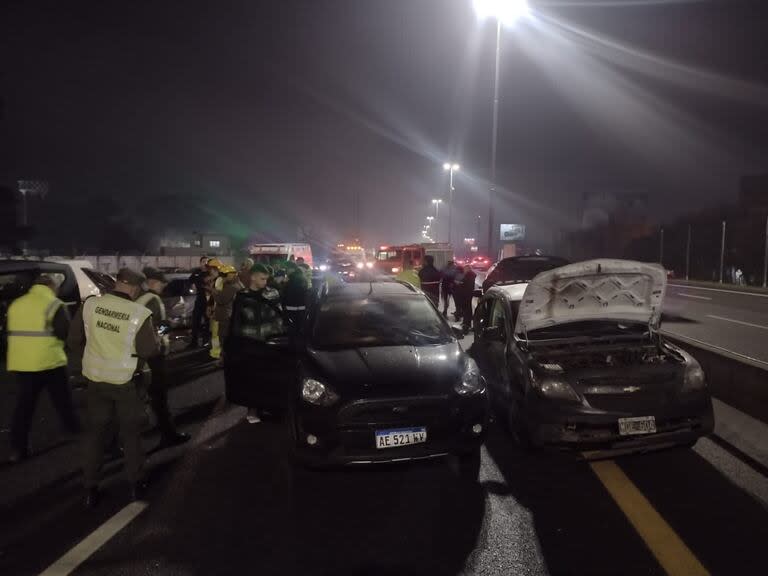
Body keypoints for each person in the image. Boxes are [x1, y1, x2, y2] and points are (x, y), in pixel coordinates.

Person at [68, 268, 160, 507]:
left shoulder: (89, 305)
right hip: (125, 381)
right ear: (135, 287)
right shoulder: (139, 314)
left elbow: (74, 340)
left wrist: (91, 358)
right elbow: (149, 350)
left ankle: (90, 487)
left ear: (117, 282)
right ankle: (135, 484)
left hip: (95, 379)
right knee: (130, 434)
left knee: (96, 433)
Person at [6, 274, 80, 463]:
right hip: (50, 361)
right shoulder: (55, 304)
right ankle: (73, 431)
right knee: (63, 400)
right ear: (50, 287)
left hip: (21, 362)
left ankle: (18, 449)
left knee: (24, 407)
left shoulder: (17, 304)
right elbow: (65, 333)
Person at [137, 267, 190, 447]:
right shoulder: (153, 300)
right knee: (159, 397)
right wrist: (169, 325)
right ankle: (168, 435)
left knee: (135, 396)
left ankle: (112, 442)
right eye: (162, 284)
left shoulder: (138, 298)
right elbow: (158, 328)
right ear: (155, 282)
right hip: (153, 354)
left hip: (136, 353)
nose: (163, 287)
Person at [227, 264, 286, 425]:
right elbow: (235, 322)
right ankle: (252, 410)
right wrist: (233, 344)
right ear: (252, 277)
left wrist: (279, 338)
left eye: (267, 279)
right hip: (250, 343)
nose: (265, 282)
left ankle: (271, 407)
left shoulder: (272, 293)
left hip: (269, 342)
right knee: (251, 378)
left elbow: (279, 317)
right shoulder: (241, 296)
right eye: (262, 278)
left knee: (269, 377)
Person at [213, 264, 244, 362]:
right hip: (232, 316)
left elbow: (221, 300)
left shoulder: (232, 287)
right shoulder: (238, 284)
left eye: (224, 275)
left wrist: (214, 292)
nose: (222, 277)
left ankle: (224, 360)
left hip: (226, 316)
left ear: (231, 275)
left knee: (224, 338)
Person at [281, 267, 309, 338]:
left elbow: (284, 294)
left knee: (291, 327)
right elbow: (306, 296)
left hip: (290, 308)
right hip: (301, 308)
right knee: (300, 326)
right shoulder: (304, 282)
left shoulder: (289, 281)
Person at [188, 256, 210, 348]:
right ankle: (194, 342)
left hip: (208, 301)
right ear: (200, 263)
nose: (205, 263)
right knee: (195, 321)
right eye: (203, 261)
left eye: (206, 261)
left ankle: (206, 342)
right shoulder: (196, 272)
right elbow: (190, 281)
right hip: (199, 299)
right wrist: (192, 285)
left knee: (207, 322)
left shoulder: (210, 273)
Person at [454, 266, 477, 334]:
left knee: (467, 310)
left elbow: (467, 285)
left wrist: (460, 283)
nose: (464, 270)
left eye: (465, 269)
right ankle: (466, 323)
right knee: (467, 309)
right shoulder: (469, 275)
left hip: (466, 295)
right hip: (467, 295)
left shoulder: (469, 275)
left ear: (468, 269)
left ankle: (466, 325)